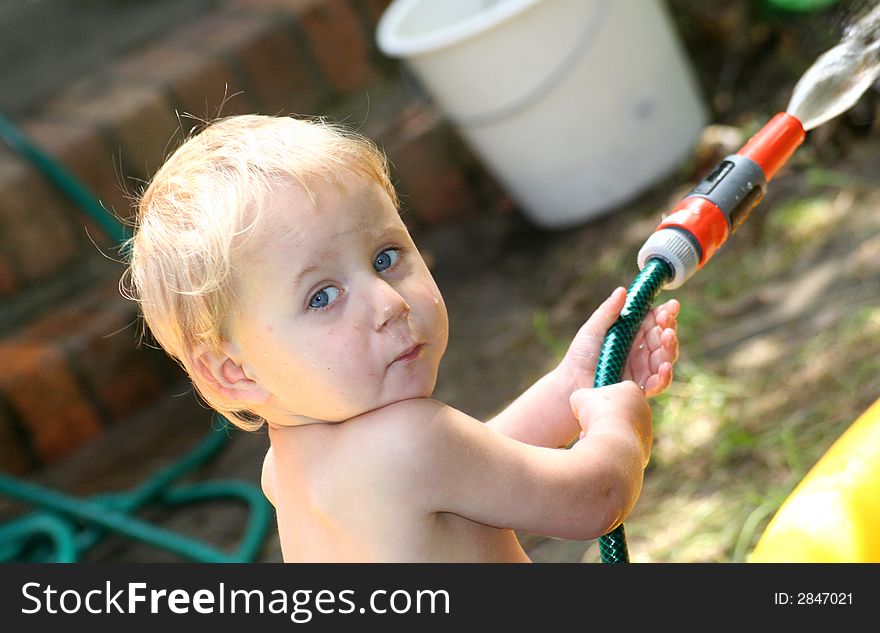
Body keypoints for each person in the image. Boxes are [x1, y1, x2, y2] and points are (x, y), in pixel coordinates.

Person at [123, 114, 680, 562]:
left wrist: (570, 387)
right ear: (236, 372)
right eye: (322, 296)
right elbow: (597, 499)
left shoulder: (287, 474)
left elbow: (471, 478)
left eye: (385, 258)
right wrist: (618, 427)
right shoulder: (410, 445)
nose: (389, 303)